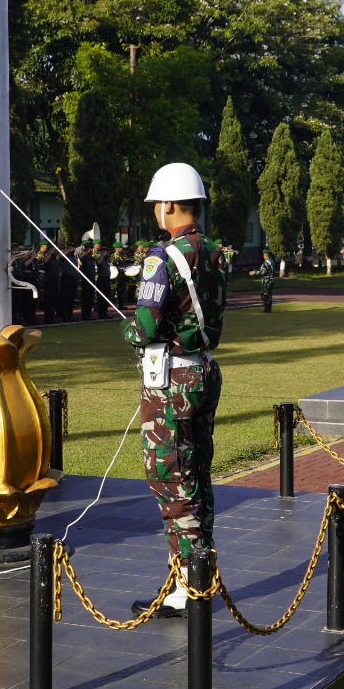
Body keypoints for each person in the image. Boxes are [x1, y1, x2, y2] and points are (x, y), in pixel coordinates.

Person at [125, 163, 228, 618]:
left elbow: (143, 327)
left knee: (171, 479)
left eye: (157, 207)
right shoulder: (215, 251)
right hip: (204, 371)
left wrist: (132, 332)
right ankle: (198, 574)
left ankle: (190, 587)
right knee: (197, 476)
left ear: (168, 205)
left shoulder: (162, 257)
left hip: (173, 382)